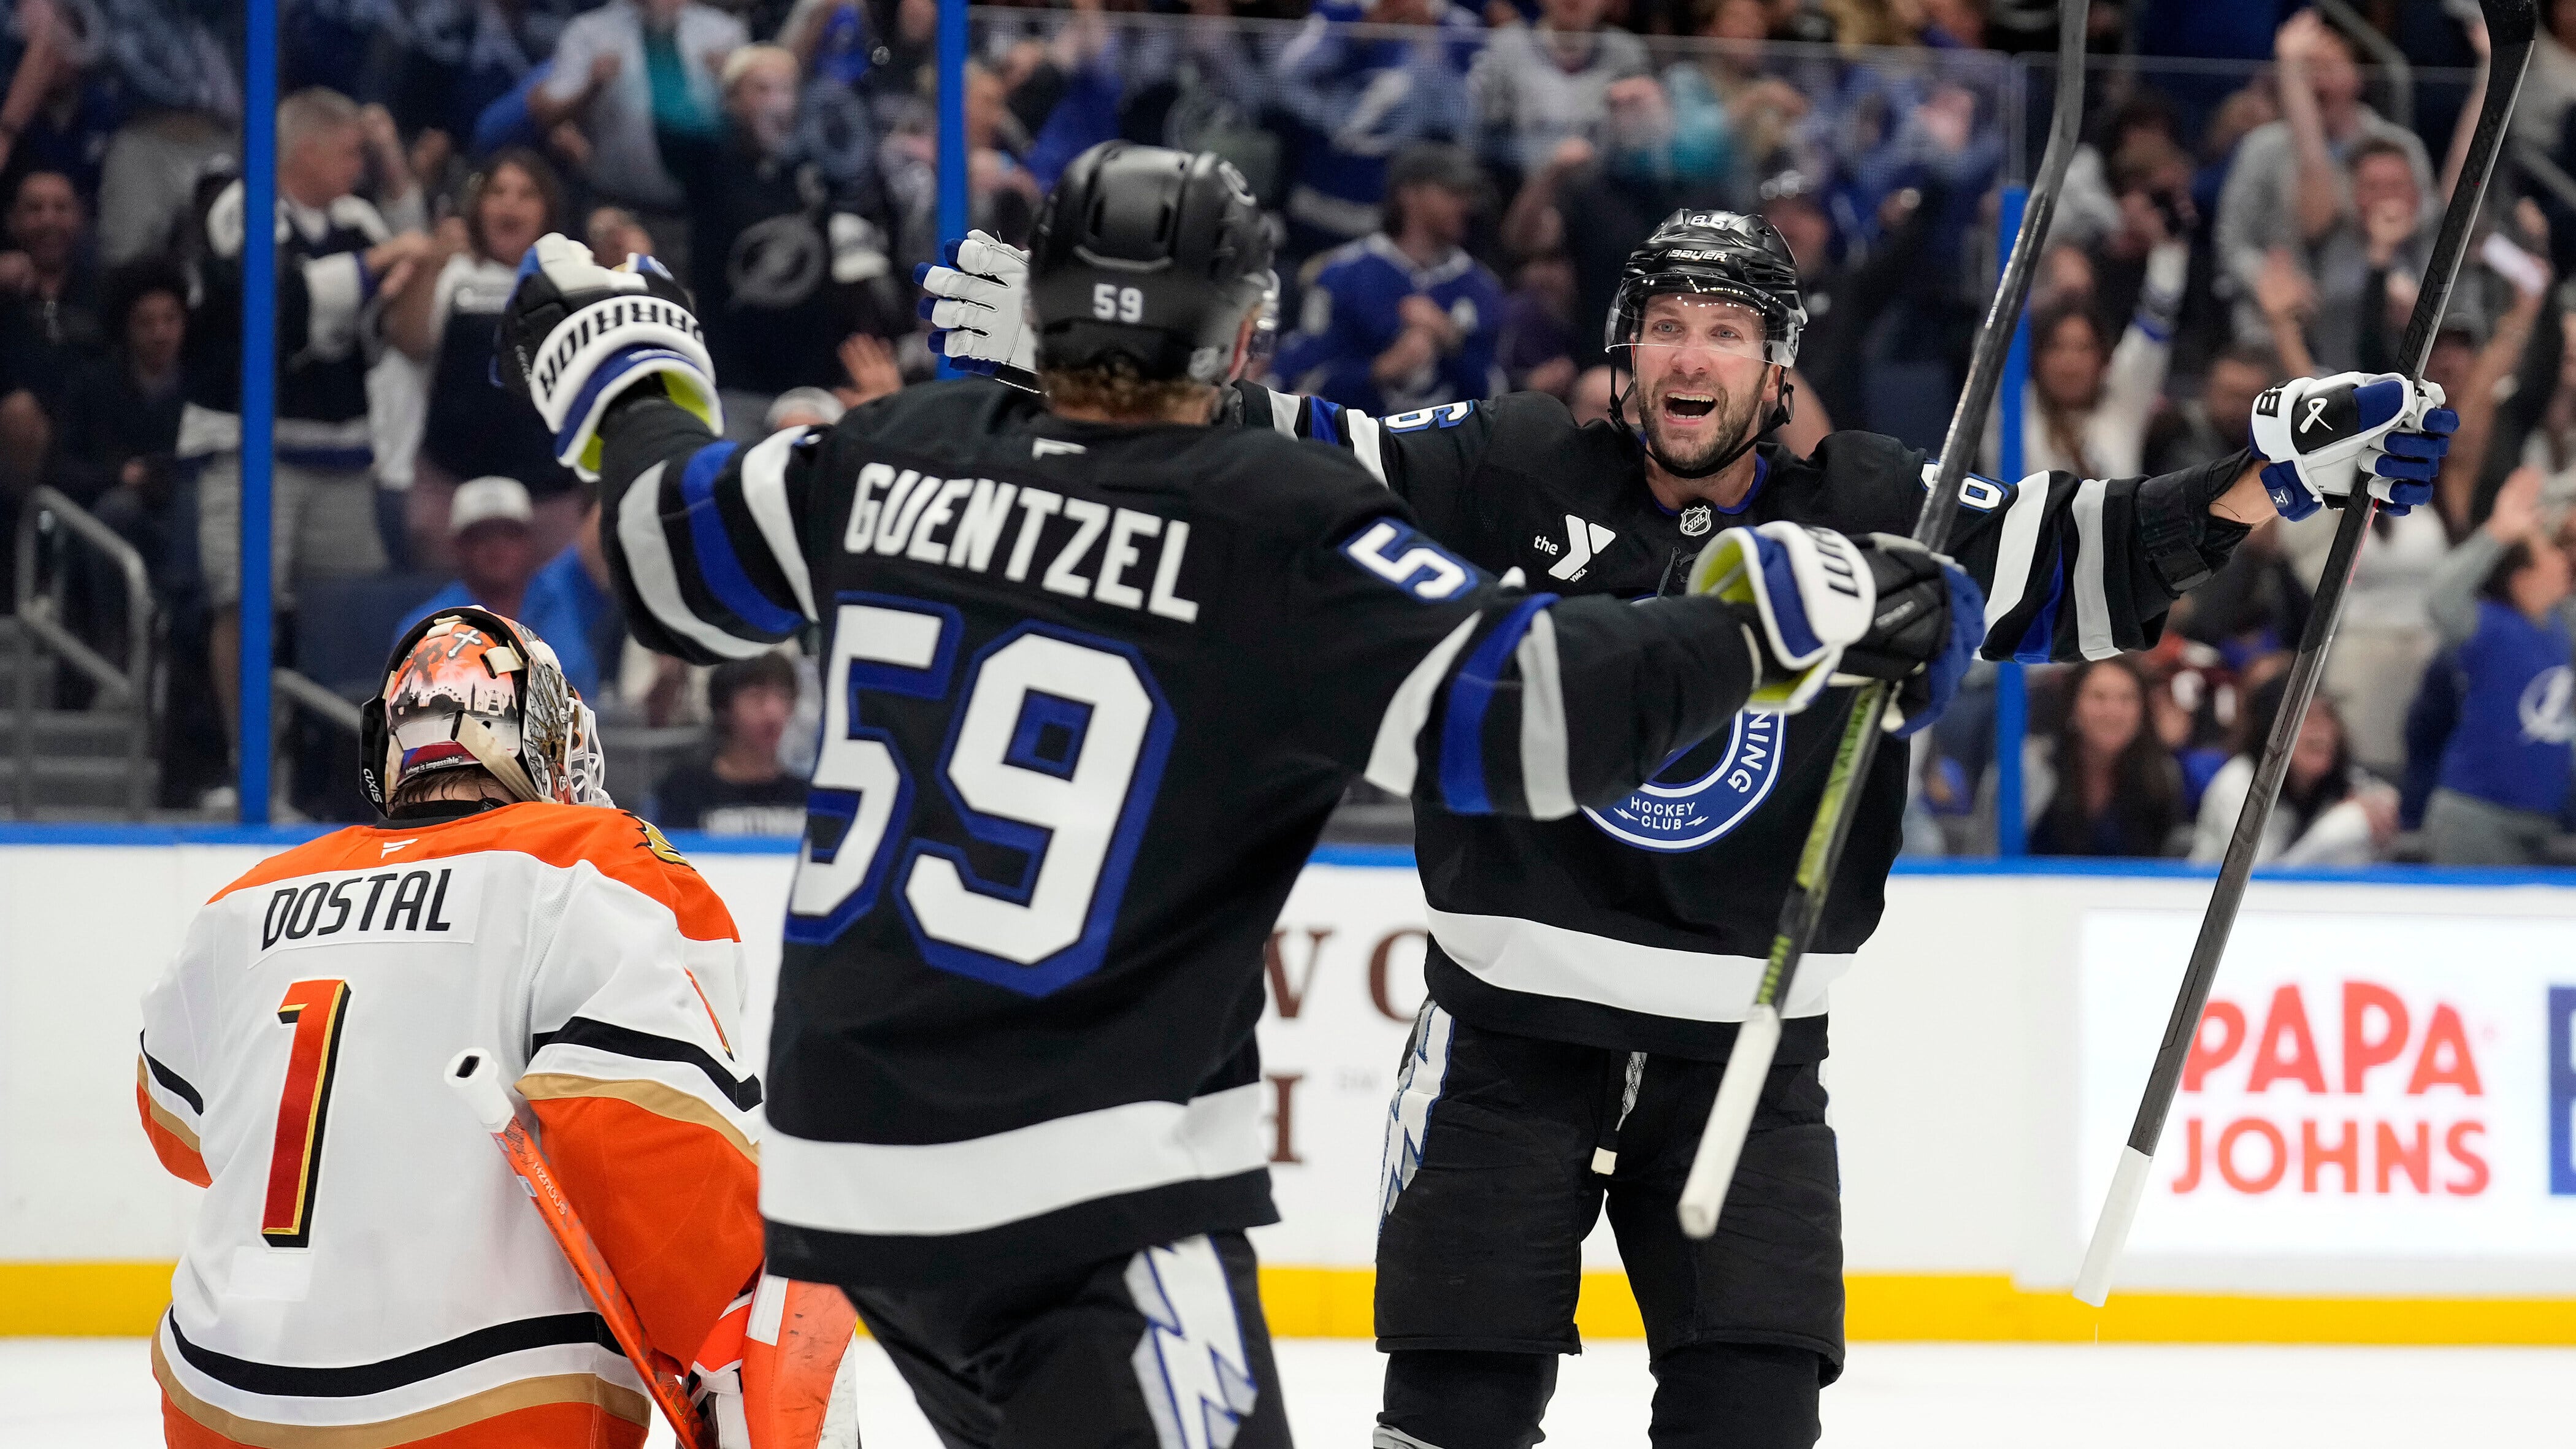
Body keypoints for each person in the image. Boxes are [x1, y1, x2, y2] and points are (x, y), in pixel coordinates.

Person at [513, 140, 1976, 1445]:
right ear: (1238, 335)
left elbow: (665, 555)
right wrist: (1750, 629)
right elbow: (1527, 719)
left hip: (847, 1178)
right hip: (1090, 1186)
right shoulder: (1267, 520)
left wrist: (632, 384)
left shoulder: (893, 446)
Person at [921, 205, 2456, 1443]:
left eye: (1727, 329)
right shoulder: (1515, 466)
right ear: (1626, 351)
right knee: (1454, 1411)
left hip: (1750, 1057)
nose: (1691, 353)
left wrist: (2278, 474)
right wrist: (1108, 371)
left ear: (1777, 368)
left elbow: (2084, 555)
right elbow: (1300, 451)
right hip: (1506, 1043)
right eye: (1666, 323)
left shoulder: (1873, 501)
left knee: (1751, 1412)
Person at [137, 606, 851, 1448]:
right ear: (540, 737)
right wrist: (733, 1351)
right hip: (483, 1395)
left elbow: (177, 1128)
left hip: (216, 1397)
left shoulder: (247, 899)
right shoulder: (585, 860)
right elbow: (647, 1137)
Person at [182, 86, 437, 788]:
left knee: (350, 618)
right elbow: (277, 301)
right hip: (248, 446)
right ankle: (251, 770)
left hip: (342, 450)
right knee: (246, 603)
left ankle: (344, 776)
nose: (359, 166)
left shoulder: (357, 219)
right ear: (307, 151)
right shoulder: (242, 206)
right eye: (351, 152)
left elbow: (385, 319)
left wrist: (395, 264)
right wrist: (376, 267)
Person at [385, 147, 583, 568]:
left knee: (550, 605)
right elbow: (410, 341)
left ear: (547, 211)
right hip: (452, 486)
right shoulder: (453, 273)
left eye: (526, 194)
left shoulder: (575, 284)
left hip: (549, 494)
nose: (510, 204)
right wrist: (431, 265)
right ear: (478, 206)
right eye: (498, 192)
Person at [2214, 12, 2434, 354]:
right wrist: (2267, 279)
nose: (2317, 82)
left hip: (2377, 317)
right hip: (2272, 325)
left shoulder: (2400, 147)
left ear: (2357, 76)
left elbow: (2429, 220)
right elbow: (2232, 240)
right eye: (2306, 70)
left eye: (2328, 67)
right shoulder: (2260, 148)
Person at [1272, 143, 1507, 415]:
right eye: (1452, 193)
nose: (1465, 206)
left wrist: (1452, 341)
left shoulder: (1482, 287)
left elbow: (1498, 399)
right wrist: (1381, 370)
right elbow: (1297, 379)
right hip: (1353, 436)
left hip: (1448, 440)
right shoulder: (1344, 273)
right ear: (1409, 195)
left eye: (1468, 196)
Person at [2420, 464, 2576, 864]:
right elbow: (2440, 598)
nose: (2563, 560)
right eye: (2551, 553)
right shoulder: (2489, 626)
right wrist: (2498, 532)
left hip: (2543, 821)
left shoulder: (2562, 628)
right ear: (2522, 577)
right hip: (2477, 819)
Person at [1272, 0, 1479, 259]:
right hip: (1313, 197)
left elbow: (1462, 122)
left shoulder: (1459, 28)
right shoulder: (1339, 11)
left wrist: (1427, 42)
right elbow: (1284, 84)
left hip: (1388, 211)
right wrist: (1356, 38)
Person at [396, 476, 616, 702]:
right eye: (481, 536)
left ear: (530, 540)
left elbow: (606, 521)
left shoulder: (568, 587)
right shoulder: (427, 627)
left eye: (511, 534)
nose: (497, 546)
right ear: (457, 546)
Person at [2189, 671, 2395, 866]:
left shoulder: (2346, 780)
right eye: (2306, 717)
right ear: (2272, 730)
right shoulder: (2238, 784)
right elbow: (2258, 881)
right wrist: (2339, 827)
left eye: (2327, 716)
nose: (2320, 730)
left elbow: (2384, 801)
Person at [2021, 656, 2187, 857]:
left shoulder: (2162, 776)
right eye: (2099, 697)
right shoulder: (2032, 769)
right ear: (2073, 706)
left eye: (2126, 699)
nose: (2113, 712)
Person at [653, 651, 808, 835]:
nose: (773, 712)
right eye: (756, 697)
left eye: (783, 696)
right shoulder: (684, 790)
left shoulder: (807, 795)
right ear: (724, 708)